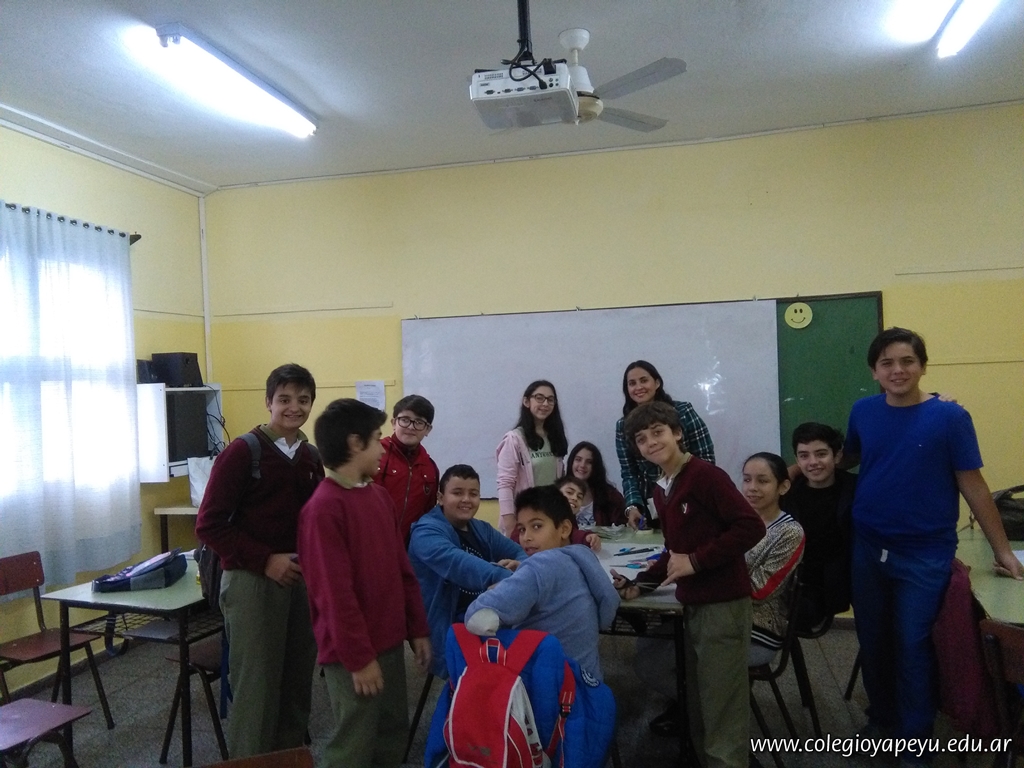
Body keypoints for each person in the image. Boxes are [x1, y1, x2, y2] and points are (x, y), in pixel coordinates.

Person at [845, 327, 1023, 763]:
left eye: (907, 361)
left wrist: (1002, 551)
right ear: (873, 372)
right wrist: (794, 471)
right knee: (873, 639)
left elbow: (974, 486)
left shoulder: (949, 418)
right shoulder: (863, 411)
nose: (897, 370)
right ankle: (882, 719)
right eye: (887, 363)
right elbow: (848, 457)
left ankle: (915, 740)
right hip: (868, 546)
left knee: (912, 644)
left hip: (923, 554)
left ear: (923, 366)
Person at [614, 401, 764, 766]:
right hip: (693, 604)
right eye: (642, 439)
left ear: (678, 433)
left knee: (722, 705)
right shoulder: (662, 488)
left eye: (658, 432)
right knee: (698, 700)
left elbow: (750, 527)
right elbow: (674, 550)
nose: (651, 442)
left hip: (723, 605)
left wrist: (697, 561)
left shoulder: (705, 475)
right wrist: (641, 584)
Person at [195, 363, 324, 757]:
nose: (294, 407)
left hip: (299, 581)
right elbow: (209, 525)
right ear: (269, 402)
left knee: (296, 684)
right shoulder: (242, 452)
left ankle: (288, 759)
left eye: (303, 400)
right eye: (284, 399)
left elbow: (314, 523)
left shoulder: (310, 457)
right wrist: (266, 561)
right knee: (257, 690)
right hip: (253, 581)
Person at [296, 399, 431, 768]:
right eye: (376, 439)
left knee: (391, 734)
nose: (382, 447)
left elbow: (402, 571)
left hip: (388, 642)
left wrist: (417, 628)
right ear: (355, 444)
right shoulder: (323, 509)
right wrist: (359, 659)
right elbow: (334, 596)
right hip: (351, 653)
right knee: (354, 743)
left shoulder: (378, 496)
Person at [465, 485, 620, 684]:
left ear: (564, 529)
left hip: (548, 689)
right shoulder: (582, 557)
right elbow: (608, 603)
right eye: (522, 529)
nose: (526, 537)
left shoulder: (539, 567)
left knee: (459, 635)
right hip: (589, 683)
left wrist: (505, 587)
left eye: (537, 526)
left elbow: (478, 617)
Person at [408, 464, 525, 678]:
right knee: (522, 659)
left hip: (486, 617)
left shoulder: (481, 529)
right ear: (440, 498)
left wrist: (521, 566)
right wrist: (513, 580)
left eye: (473, 494)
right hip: (450, 628)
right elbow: (461, 565)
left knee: (540, 642)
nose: (466, 500)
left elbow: (520, 552)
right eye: (457, 493)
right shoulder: (425, 532)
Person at [614, 360, 716, 529]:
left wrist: (690, 493)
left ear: (657, 383)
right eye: (632, 383)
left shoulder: (683, 412)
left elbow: (706, 457)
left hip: (691, 499)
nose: (638, 387)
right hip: (651, 507)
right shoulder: (623, 426)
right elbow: (629, 472)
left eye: (644, 380)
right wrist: (632, 506)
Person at [780, 422, 855, 631]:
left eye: (821, 454)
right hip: (790, 581)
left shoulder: (855, 490)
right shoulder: (787, 494)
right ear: (797, 460)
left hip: (833, 585)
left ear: (837, 456)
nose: (813, 462)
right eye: (804, 456)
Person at [741, 452, 805, 666]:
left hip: (758, 627)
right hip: (725, 614)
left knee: (673, 650)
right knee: (665, 640)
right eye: (747, 479)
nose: (752, 488)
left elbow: (760, 591)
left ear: (783, 487)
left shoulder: (789, 532)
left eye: (762, 481)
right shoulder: (736, 521)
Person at [495, 380, 568, 535]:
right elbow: (505, 484)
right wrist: (510, 524)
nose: (545, 404)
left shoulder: (554, 437)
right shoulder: (514, 439)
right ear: (526, 401)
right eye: (539, 398)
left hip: (549, 517)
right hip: (523, 519)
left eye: (550, 399)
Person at [373, 394, 440, 544]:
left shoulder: (430, 468)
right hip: (370, 543)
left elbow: (428, 515)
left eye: (419, 422)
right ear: (393, 423)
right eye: (405, 420)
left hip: (408, 549)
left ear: (428, 429)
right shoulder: (373, 453)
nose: (410, 427)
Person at [566, 441, 627, 527]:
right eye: (578, 459)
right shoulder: (560, 494)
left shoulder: (611, 496)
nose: (582, 465)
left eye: (589, 462)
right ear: (571, 462)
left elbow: (621, 527)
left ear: (595, 466)